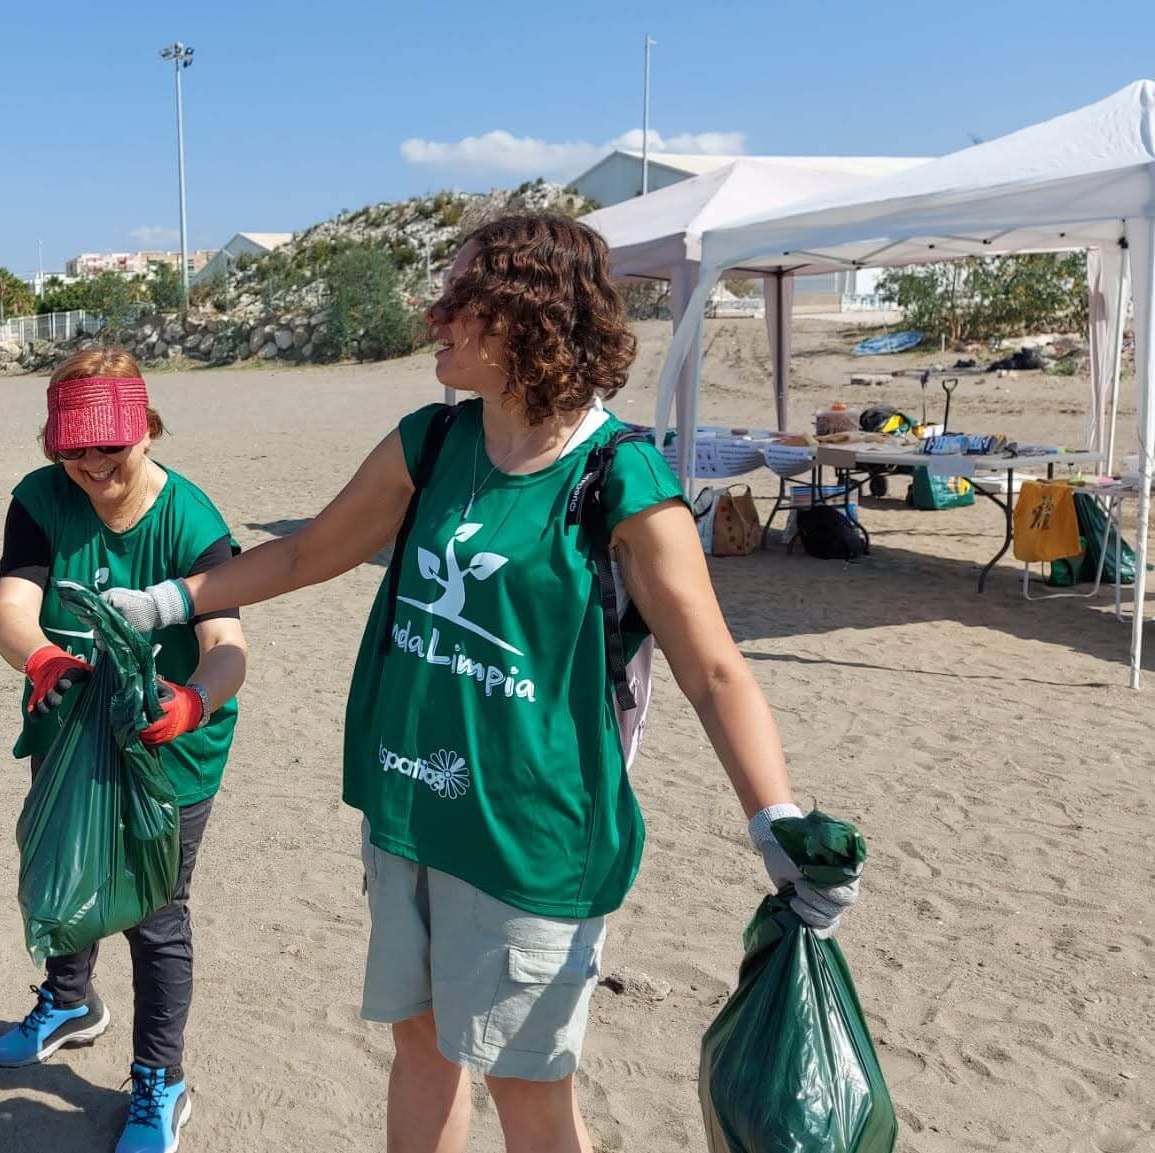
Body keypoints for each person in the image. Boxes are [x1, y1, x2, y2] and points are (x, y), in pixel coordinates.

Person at [101, 214, 863, 1153]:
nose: (436, 316)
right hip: (414, 807)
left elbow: (712, 667)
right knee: (421, 1045)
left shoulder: (616, 478)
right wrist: (172, 600)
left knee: (526, 1082)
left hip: (532, 838)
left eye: (462, 298)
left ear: (530, 316)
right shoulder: (431, 443)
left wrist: (772, 817)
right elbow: (306, 553)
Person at [0, 352, 246, 1153]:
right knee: (67, 867)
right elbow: (10, 609)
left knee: (155, 914)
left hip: (169, 754)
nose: (93, 466)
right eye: (75, 450)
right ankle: (69, 1000)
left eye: (112, 448)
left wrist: (193, 698)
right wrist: (40, 658)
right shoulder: (39, 499)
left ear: (146, 429)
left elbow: (227, 644)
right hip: (69, 733)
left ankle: (160, 1080)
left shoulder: (190, 518)